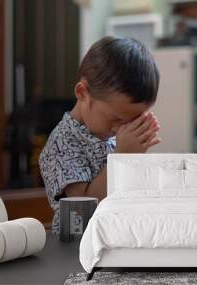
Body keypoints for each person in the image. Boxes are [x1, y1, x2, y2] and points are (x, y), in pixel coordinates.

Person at [39, 37, 161, 234]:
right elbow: (80, 211)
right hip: (80, 246)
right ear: (82, 93)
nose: (119, 129)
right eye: (115, 119)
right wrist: (121, 157)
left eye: (132, 121)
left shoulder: (116, 137)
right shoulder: (63, 143)